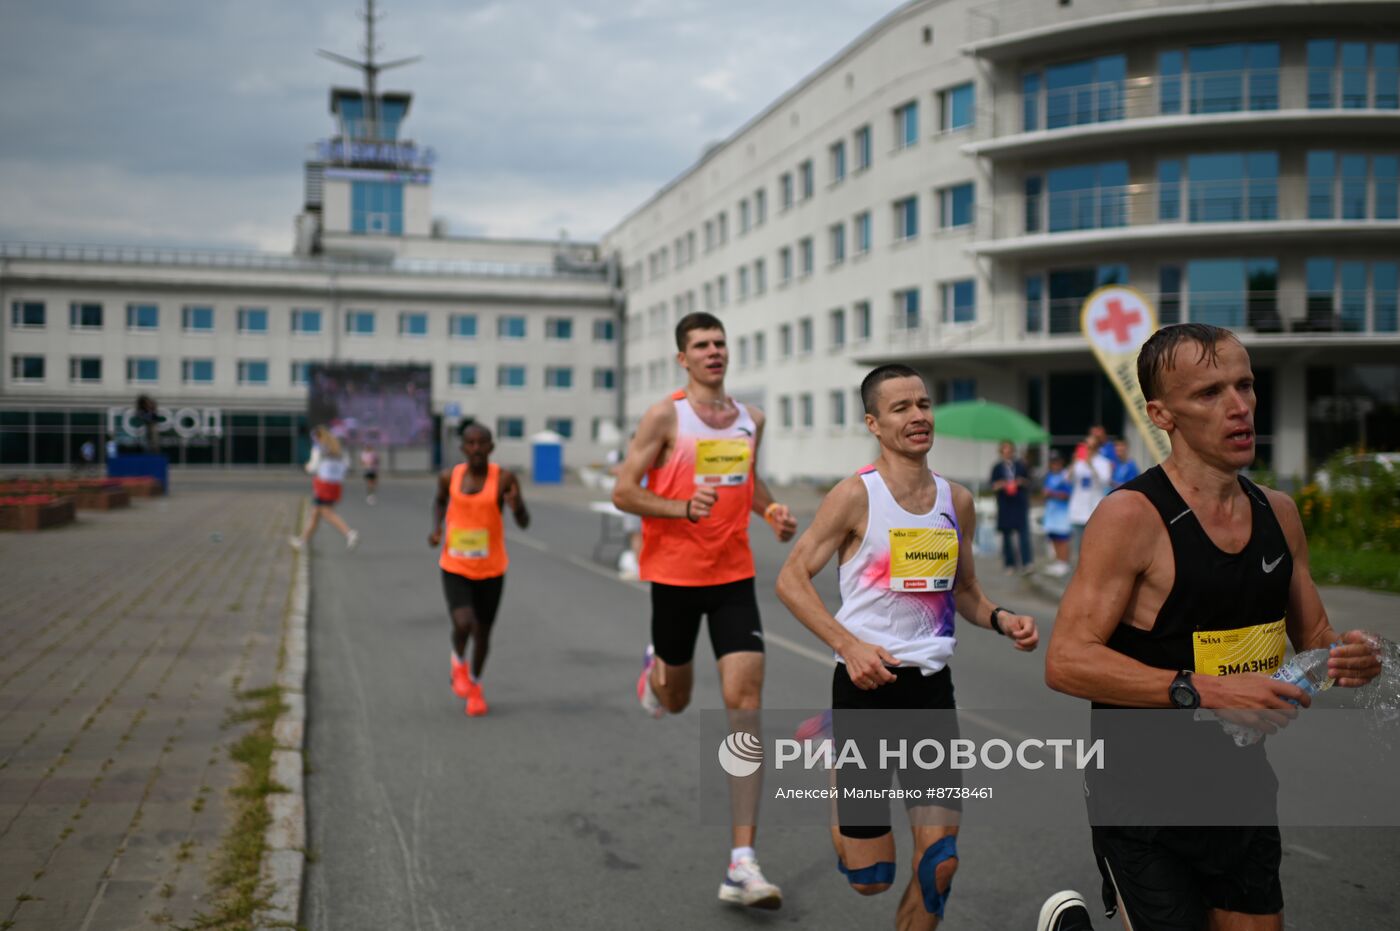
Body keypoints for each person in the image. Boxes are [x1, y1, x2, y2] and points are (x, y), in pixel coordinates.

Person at [1045, 323, 1382, 931]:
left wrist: (1349, 658)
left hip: (1241, 791)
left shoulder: (1278, 512)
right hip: (1142, 797)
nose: (1239, 407)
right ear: (1161, 414)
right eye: (1209, 393)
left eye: (1245, 385)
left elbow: (1316, 643)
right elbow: (1066, 660)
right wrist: (1207, 689)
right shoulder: (1131, 517)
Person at [775, 364, 1038, 931]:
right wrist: (850, 644)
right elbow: (791, 580)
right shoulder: (853, 496)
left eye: (923, 404)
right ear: (874, 423)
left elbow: (965, 591)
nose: (918, 415)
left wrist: (1000, 617)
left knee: (939, 866)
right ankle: (832, 752)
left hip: (930, 693)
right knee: (870, 878)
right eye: (901, 408)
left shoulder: (956, 500)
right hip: (865, 690)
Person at [612, 311, 798, 911]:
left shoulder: (751, 419)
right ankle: (655, 673)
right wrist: (678, 508)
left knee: (745, 704)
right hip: (673, 576)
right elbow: (624, 490)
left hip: (733, 577)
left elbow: (747, 478)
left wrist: (768, 511)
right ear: (682, 359)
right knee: (677, 699)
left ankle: (742, 861)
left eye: (720, 343)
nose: (714, 351)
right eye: (701, 345)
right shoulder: (666, 417)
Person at [428, 422, 529, 717]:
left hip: (492, 568)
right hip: (456, 564)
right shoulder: (449, 477)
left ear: (491, 447)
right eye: (470, 443)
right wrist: (436, 530)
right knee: (463, 623)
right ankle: (458, 661)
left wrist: (517, 504)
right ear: (462, 448)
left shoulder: (503, 479)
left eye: (481, 443)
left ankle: (476, 685)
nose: (475, 448)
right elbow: (439, 502)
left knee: (483, 632)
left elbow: (524, 522)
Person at [290, 426, 359, 551]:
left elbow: (313, 467)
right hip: (335, 485)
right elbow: (347, 466)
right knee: (315, 514)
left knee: (327, 513)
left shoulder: (319, 449)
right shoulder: (338, 449)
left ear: (318, 437)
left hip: (323, 484)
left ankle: (349, 533)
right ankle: (302, 541)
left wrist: (306, 467)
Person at [1067, 434, 1112, 564]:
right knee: (1078, 548)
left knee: (1095, 547)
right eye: (1086, 446)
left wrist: (1090, 465)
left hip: (1095, 510)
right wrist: (1074, 462)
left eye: (1091, 447)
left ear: (1097, 447)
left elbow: (1105, 481)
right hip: (1078, 510)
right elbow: (1067, 479)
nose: (1088, 449)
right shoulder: (1078, 462)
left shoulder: (1104, 462)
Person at [990, 440, 1033, 573]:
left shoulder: (1020, 466)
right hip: (1005, 504)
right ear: (1001, 452)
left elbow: (1029, 482)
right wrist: (1002, 484)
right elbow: (993, 485)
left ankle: (1027, 562)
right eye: (1005, 450)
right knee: (1007, 536)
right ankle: (1010, 563)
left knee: (1024, 534)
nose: (1007, 453)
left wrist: (1020, 482)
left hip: (1019, 503)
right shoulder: (997, 468)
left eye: (1010, 450)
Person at [1041, 451, 1072, 576]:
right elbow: (1045, 493)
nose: (1055, 465)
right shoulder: (1048, 476)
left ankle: (1064, 563)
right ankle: (1058, 561)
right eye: (1053, 462)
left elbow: (1068, 495)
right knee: (1053, 537)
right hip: (1051, 512)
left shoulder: (1065, 476)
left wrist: (1052, 494)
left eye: (1057, 462)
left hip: (1062, 513)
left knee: (1062, 539)